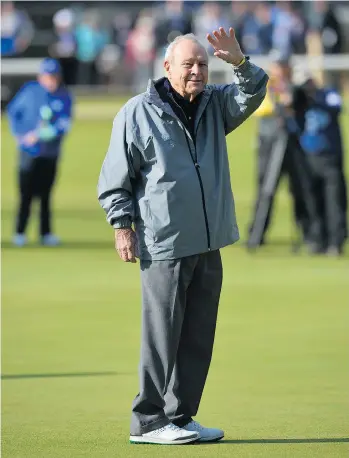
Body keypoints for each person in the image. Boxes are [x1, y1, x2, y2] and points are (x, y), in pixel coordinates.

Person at [98, 29, 268, 445]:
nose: (196, 71)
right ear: (167, 67)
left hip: (209, 242)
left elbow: (254, 93)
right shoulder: (137, 113)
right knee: (162, 336)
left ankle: (180, 415)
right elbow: (115, 180)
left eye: (203, 65)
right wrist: (123, 227)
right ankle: (148, 421)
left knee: (198, 336)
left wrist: (240, 62)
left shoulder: (214, 104)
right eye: (188, 64)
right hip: (164, 243)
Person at [248, 56, 319, 249]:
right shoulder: (267, 87)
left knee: (300, 190)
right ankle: (256, 235)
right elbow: (264, 109)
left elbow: (307, 99)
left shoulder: (296, 87)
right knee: (266, 190)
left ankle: (308, 234)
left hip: (293, 144)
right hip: (271, 143)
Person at [6, 58, 73, 247]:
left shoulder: (64, 96)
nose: (50, 80)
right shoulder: (30, 91)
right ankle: (20, 232)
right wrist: (20, 135)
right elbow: (13, 113)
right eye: (47, 76)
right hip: (28, 153)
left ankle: (46, 233)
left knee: (45, 196)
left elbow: (63, 125)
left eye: (53, 76)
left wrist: (40, 135)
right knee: (25, 195)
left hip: (49, 154)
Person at [294, 75, 347, 255]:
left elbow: (336, 108)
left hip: (330, 156)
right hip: (308, 157)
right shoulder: (301, 100)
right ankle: (317, 240)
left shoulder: (329, 93)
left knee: (334, 201)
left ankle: (336, 242)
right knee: (312, 201)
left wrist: (315, 99)